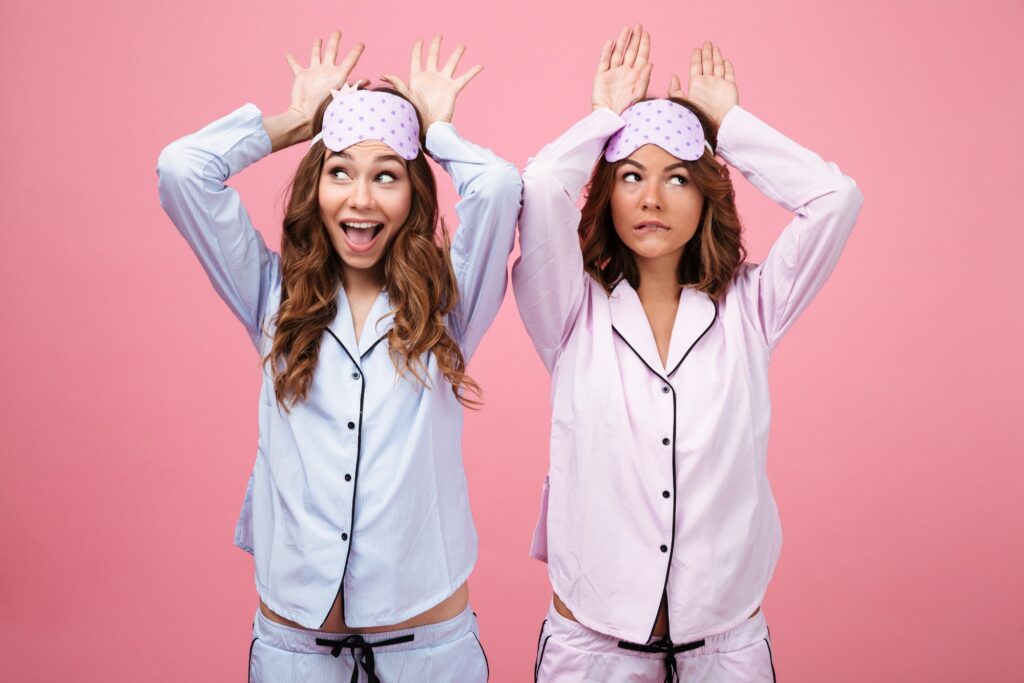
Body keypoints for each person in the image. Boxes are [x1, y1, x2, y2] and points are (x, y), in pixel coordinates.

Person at [157, 30, 521, 682]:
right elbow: (183, 169)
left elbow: (497, 188)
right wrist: (297, 122)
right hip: (296, 655)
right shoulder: (271, 296)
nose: (360, 197)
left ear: (412, 194)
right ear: (315, 187)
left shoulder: (447, 308)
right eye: (340, 171)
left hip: (429, 654)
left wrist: (436, 132)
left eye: (386, 175)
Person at [512, 25, 863, 682]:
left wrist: (727, 125)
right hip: (592, 649)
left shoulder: (751, 308)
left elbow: (835, 200)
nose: (651, 198)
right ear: (607, 191)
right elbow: (540, 184)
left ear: (706, 196)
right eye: (632, 177)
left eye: (677, 178)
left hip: (726, 648)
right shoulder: (569, 310)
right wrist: (603, 117)